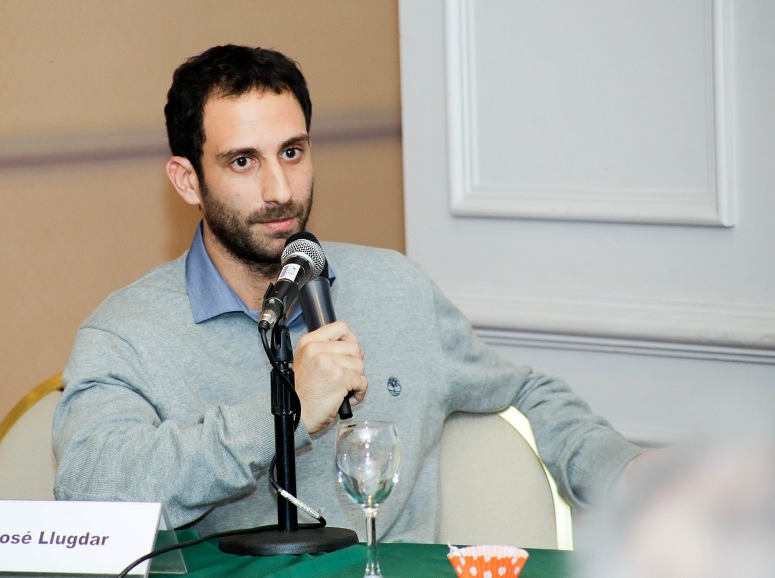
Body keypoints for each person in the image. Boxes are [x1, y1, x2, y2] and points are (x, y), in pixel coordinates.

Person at [52, 44, 644, 543]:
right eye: (243, 162)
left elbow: (525, 395)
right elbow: (90, 491)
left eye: (292, 152)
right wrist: (283, 412)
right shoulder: (128, 332)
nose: (279, 190)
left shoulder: (398, 290)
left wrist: (630, 474)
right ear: (188, 180)